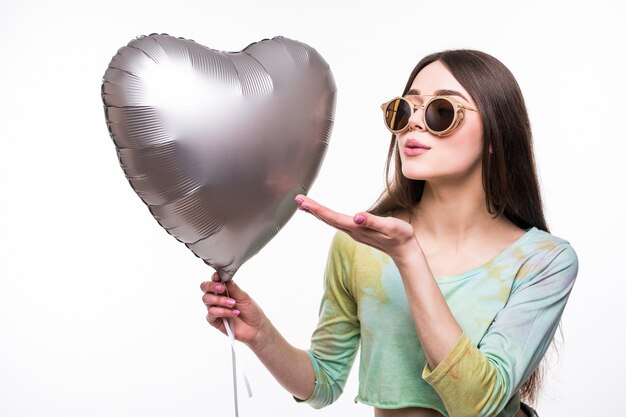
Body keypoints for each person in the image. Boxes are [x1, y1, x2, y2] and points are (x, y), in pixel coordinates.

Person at [200, 49, 578, 417]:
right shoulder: (360, 246)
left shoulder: (543, 261)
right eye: (406, 109)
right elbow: (325, 382)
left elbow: (477, 406)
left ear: (495, 135)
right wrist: (261, 335)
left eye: (442, 112)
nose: (414, 123)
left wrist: (408, 257)